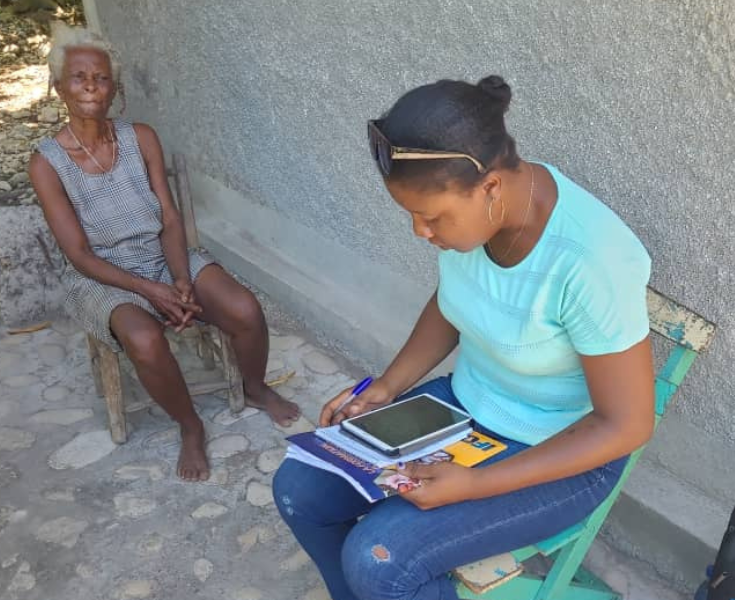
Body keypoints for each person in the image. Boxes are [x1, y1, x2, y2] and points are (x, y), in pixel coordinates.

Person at [272, 76, 655, 600]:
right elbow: (453, 304)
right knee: (300, 490)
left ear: (490, 188)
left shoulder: (590, 261)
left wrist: (474, 485)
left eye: (431, 218)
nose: (420, 232)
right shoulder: (478, 220)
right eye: (412, 216)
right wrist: (386, 387)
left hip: (561, 450)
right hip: (465, 409)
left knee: (379, 561)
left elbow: (626, 425)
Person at [29, 24, 299, 482]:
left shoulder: (141, 138)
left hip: (163, 255)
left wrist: (179, 281)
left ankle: (254, 388)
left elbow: (171, 220)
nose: (91, 86)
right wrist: (149, 291)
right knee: (144, 339)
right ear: (58, 86)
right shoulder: (46, 163)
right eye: (78, 77)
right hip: (101, 276)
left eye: (101, 77)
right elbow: (77, 254)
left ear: (115, 87)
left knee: (244, 309)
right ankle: (190, 426)